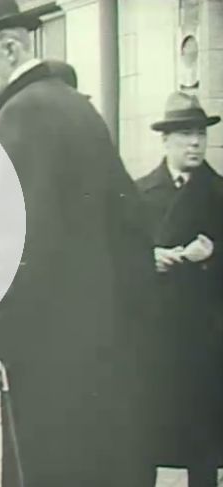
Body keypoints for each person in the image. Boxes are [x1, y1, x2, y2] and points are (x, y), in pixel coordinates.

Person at [0, 0, 160, 486]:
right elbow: (133, 225)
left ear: (10, 47)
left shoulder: (22, 115)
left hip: (47, 352)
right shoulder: (76, 107)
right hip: (103, 347)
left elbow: (19, 247)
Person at [136, 91, 223, 487]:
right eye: (186, 134)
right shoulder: (140, 193)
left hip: (207, 338)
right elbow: (118, 253)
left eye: (201, 135)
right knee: (147, 438)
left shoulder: (218, 193)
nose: (195, 143)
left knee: (203, 445)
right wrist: (149, 258)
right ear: (166, 140)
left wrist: (213, 254)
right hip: (155, 336)